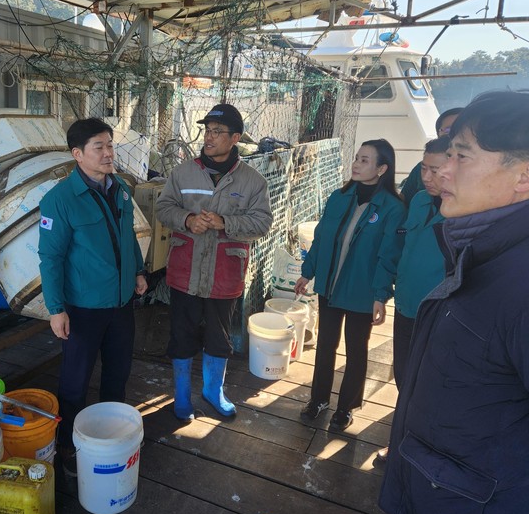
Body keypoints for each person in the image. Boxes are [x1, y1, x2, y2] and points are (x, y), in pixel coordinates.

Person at [380, 90, 529, 514]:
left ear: (526, 175)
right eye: (447, 154)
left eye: (462, 156)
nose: (443, 170)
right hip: (433, 497)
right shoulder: (485, 251)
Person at [38, 117, 147, 476]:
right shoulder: (59, 200)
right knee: (75, 381)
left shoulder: (120, 188)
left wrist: (138, 271)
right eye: (98, 147)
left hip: (121, 304)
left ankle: (110, 436)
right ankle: (68, 447)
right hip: (83, 308)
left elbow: (128, 235)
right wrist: (56, 309)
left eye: (110, 145)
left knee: (118, 373)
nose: (108, 153)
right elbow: (50, 257)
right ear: (77, 154)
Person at [156, 103, 272, 422]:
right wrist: (187, 219)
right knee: (181, 336)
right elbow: (163, 208)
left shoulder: (253, 181)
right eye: (207, 130)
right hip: (186, 272)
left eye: (217, 132)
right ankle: (181, 397)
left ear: (235, 138)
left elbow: (262, 222)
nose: (209, 137)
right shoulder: (182, 172)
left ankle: (213, 392)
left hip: (225, 275)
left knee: (219, 338)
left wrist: (226, 222)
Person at [294, 139, 406, 431]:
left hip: (362, 291)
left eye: (365, 160)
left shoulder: (393, 208)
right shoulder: (339, 196)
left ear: (382, 169)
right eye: (357, 158)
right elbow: (321, 238)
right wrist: (308, 272)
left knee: (356, 350)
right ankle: (318, 399)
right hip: (330, 286)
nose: (356, 164)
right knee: (325, 345)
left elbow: (388, 256)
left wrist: (380, 295)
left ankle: (346, 407)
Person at [376, 135, 449, 462]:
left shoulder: (462, 212)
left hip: (437, 313)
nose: (427, 177)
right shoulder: (418, 201)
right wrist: (382, 292)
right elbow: (398, 249)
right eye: (424, 168)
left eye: (436, 170)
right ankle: (400, 443)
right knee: (404, 376)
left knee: (429, 384)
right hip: (405, 306)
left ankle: (420, 448)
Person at [400, 107, 463, 203]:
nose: (426, 178)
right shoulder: (419, 199)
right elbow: (405, 199)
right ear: (438, 133)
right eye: (449, 130)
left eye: (461, 129)